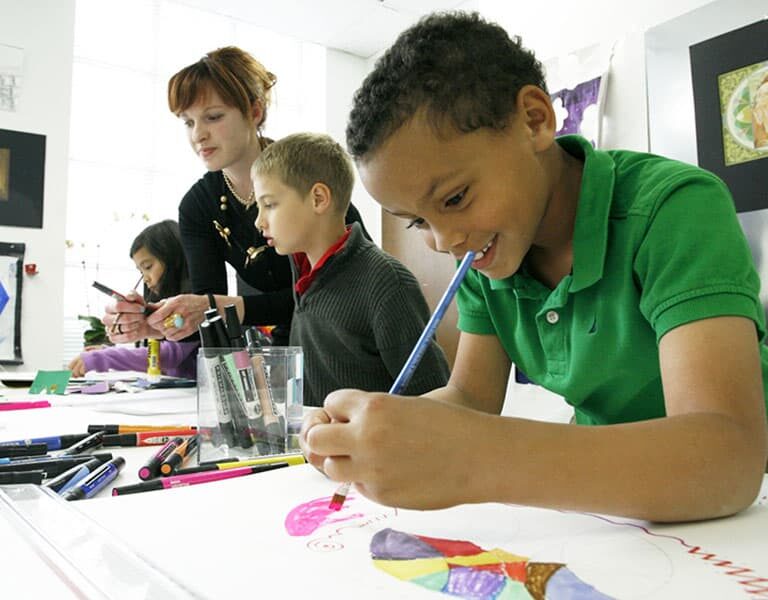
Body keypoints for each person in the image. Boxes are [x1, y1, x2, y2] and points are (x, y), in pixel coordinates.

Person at [300, 12, 768, 522]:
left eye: (455, 197)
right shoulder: (486, 257)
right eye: (417, 223)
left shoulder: (673, 208)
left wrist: (475, 458)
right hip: (612, 514)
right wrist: (375, 431)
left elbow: (728, 458)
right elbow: (469, 397)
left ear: (534, 120)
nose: (445, 241)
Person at [100, 47, 369, 347]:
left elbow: (343, 291)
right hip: (288, 348)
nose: (197, 135)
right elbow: (208, 313)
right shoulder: (199, 205)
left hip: (351, 343)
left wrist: (217, 307)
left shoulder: (303, 173)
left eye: (213, 117)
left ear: (254, 112)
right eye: (188, 122)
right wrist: (156, 321)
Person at [251, 132, 450, 407]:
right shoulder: (304, 276)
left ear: (318, 198)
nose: (259, 221)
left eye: (269, 205)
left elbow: (432, 399)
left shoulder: (386, 282)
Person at [70, 220, 199, 379]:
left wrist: (105, 357)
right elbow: (155, 357)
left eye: (148, 267)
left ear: (173, 259)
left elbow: (170, 355)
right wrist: (105, 351)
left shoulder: (195, 306)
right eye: (141, 271)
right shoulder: (157, 309)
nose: (145, 279)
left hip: (196, 398)